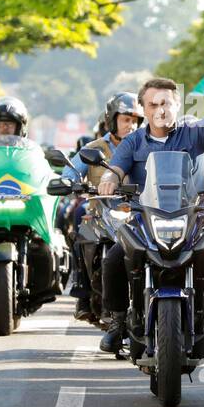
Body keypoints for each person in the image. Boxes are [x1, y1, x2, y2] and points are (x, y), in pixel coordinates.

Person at [97, 51, 204, 366]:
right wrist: (108, 180)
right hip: (144, 219)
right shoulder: (132, 142)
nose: (161, 109)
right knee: (113, 258)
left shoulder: (194, 134)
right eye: (153, 105)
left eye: (166, 103)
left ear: (176, 105)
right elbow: (115, 170)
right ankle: (119, 320)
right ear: (144, 109)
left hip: (193, 217)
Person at [61, 92, 143, 324]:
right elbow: (71, 171)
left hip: (136, 212)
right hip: (101, 209)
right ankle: (82, 293)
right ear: (112, 120)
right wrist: (70, 181)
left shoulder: (145, 146)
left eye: (136, 120)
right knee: (79, 217)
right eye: (126, 119)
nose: (131, 125)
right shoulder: (94, 147)